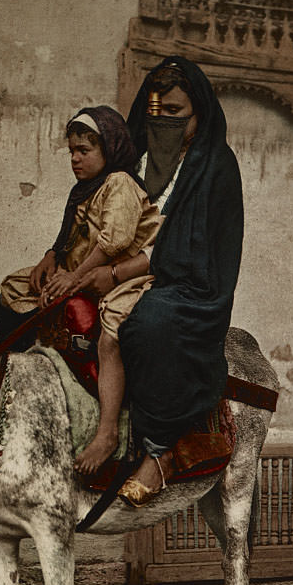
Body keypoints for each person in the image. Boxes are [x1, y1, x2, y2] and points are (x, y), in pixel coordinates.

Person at [77, 56, 243, 506]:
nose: (162, 121)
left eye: (174, 113)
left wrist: (111, 273)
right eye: (155, 112)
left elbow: (189, 250)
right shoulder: (136, 155)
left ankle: (160, 451)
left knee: (150, 324)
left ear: (199, 114)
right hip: (117, 267)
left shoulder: (215, 166)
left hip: (189, 284)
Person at [0, 105, 160, 474]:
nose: (75, 158)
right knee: (15, 290)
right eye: (71, 151)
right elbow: (71, 239)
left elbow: (111, 242)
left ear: (110, 149)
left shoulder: (119, 183)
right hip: (83, 270)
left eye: (84, 151)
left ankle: (107, 432)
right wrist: (50, 259)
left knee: (110, 333)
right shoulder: (83, 190)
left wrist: (73, 279)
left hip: (124, 276)